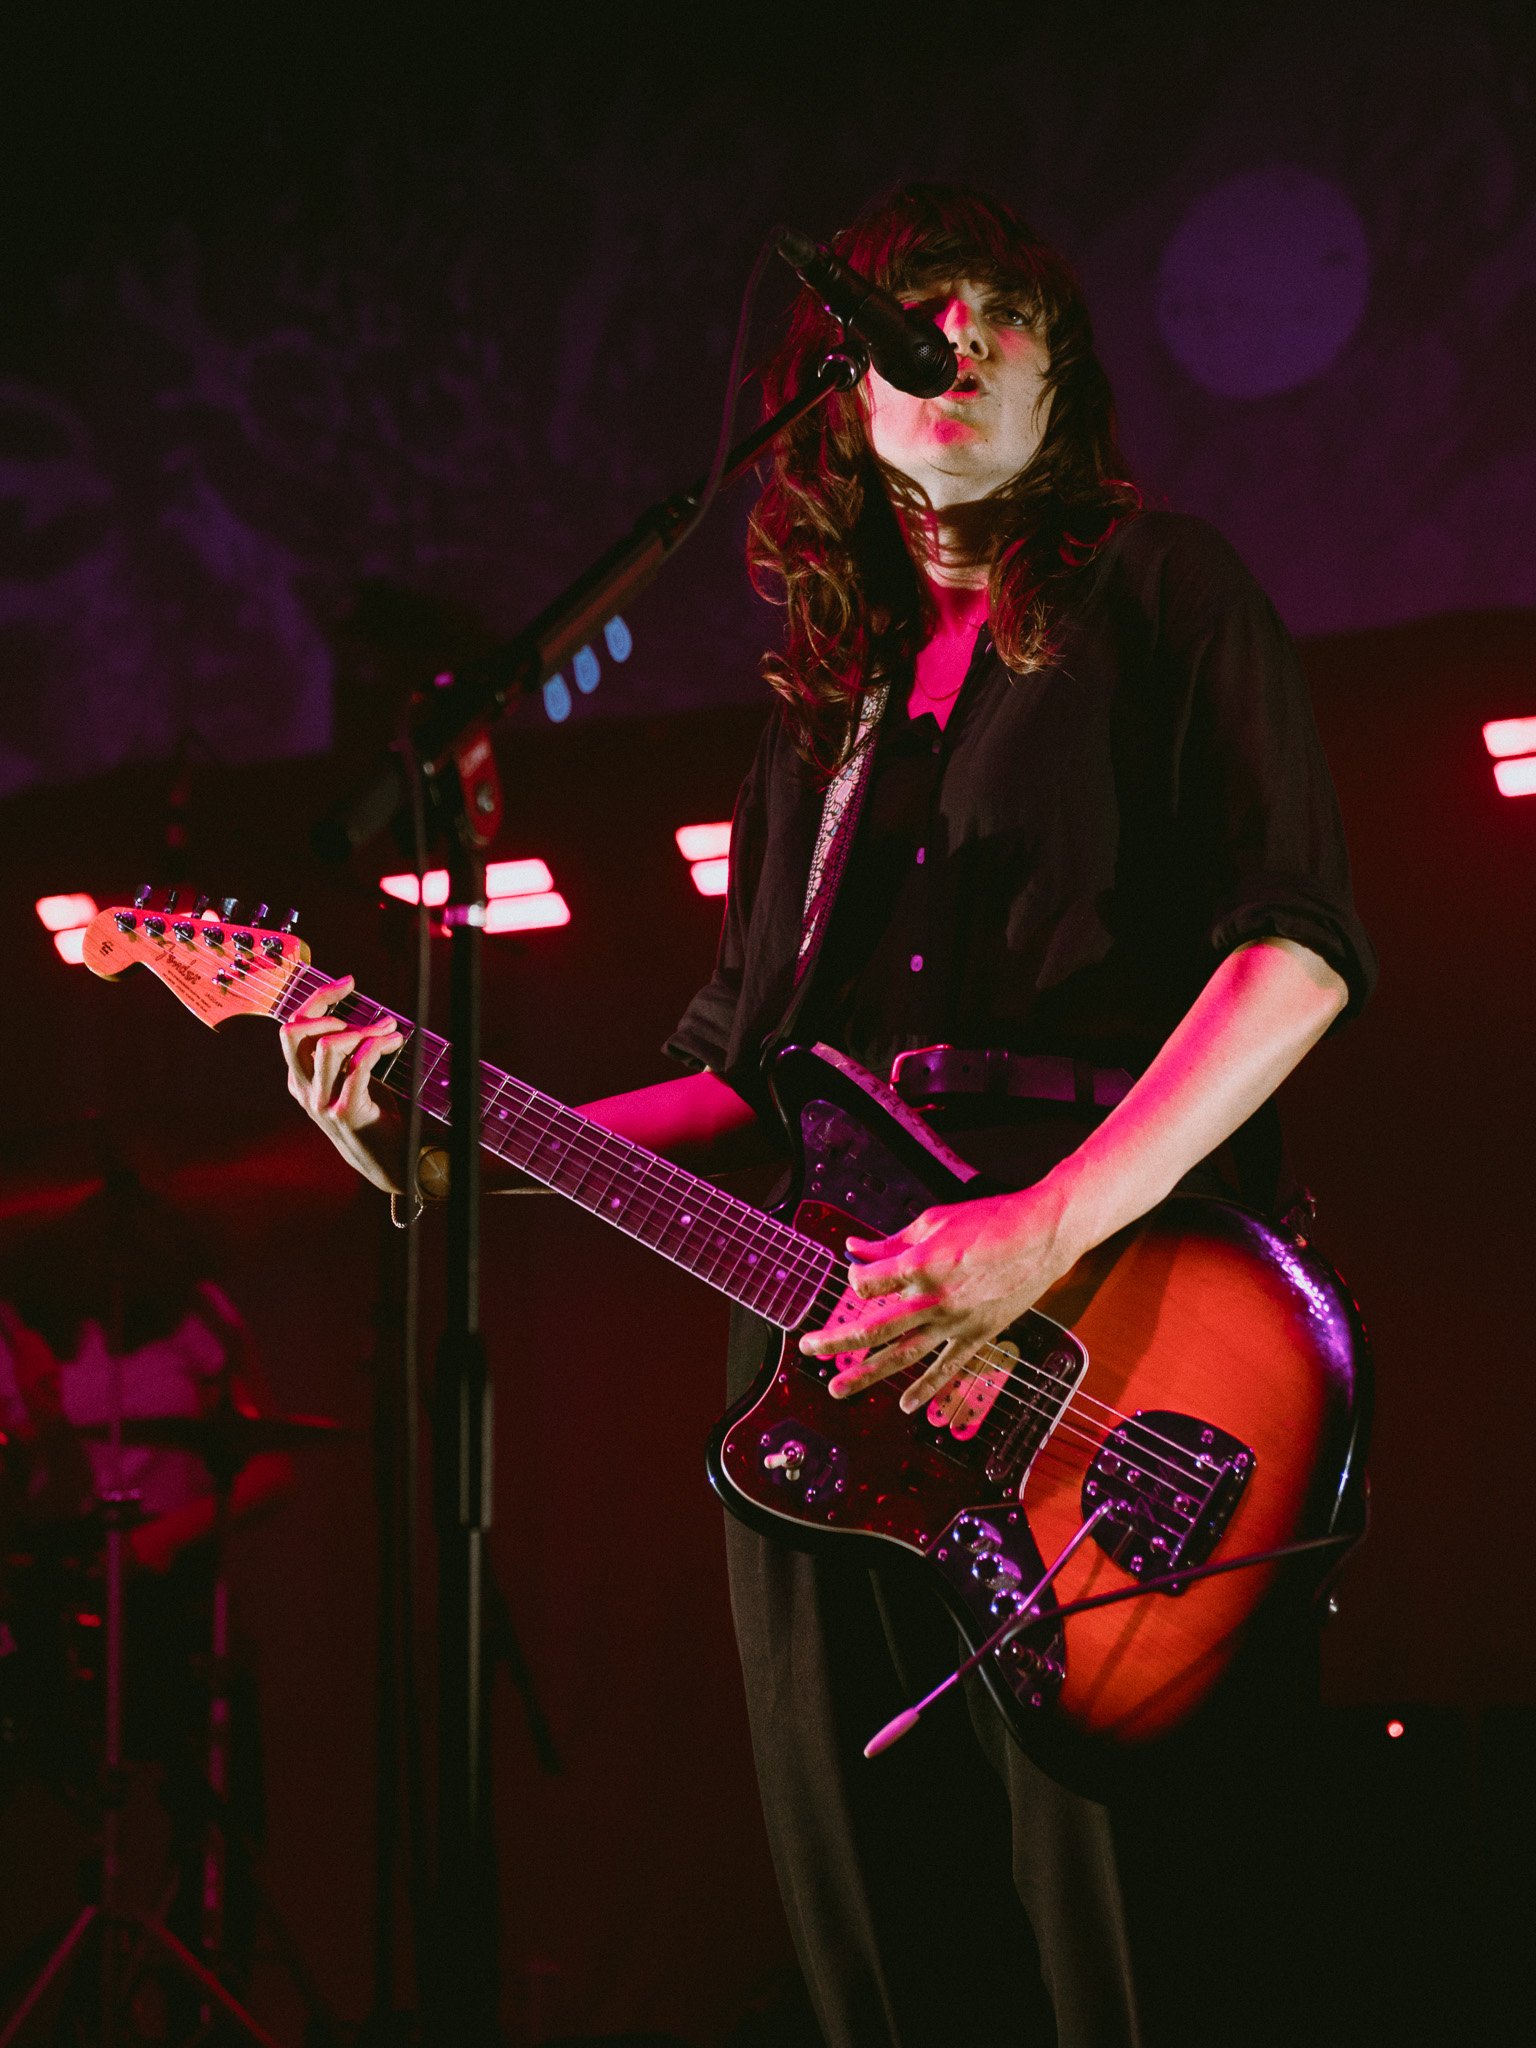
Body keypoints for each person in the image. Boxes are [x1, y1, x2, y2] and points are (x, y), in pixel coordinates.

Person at [278, 183, 1375, 2047]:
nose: (945, 345)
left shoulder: (1167, 590)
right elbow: (743, 1075)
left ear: (1058, 365)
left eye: (992, 314)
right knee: (886, 1964)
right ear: (838, 395)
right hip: (833, 1390)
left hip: (1102, 1346)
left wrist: (1042, 1230)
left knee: (1145, 1967)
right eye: (909, 319)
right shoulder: (822, 715)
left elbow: (1301, 954)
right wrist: (453, 1125)